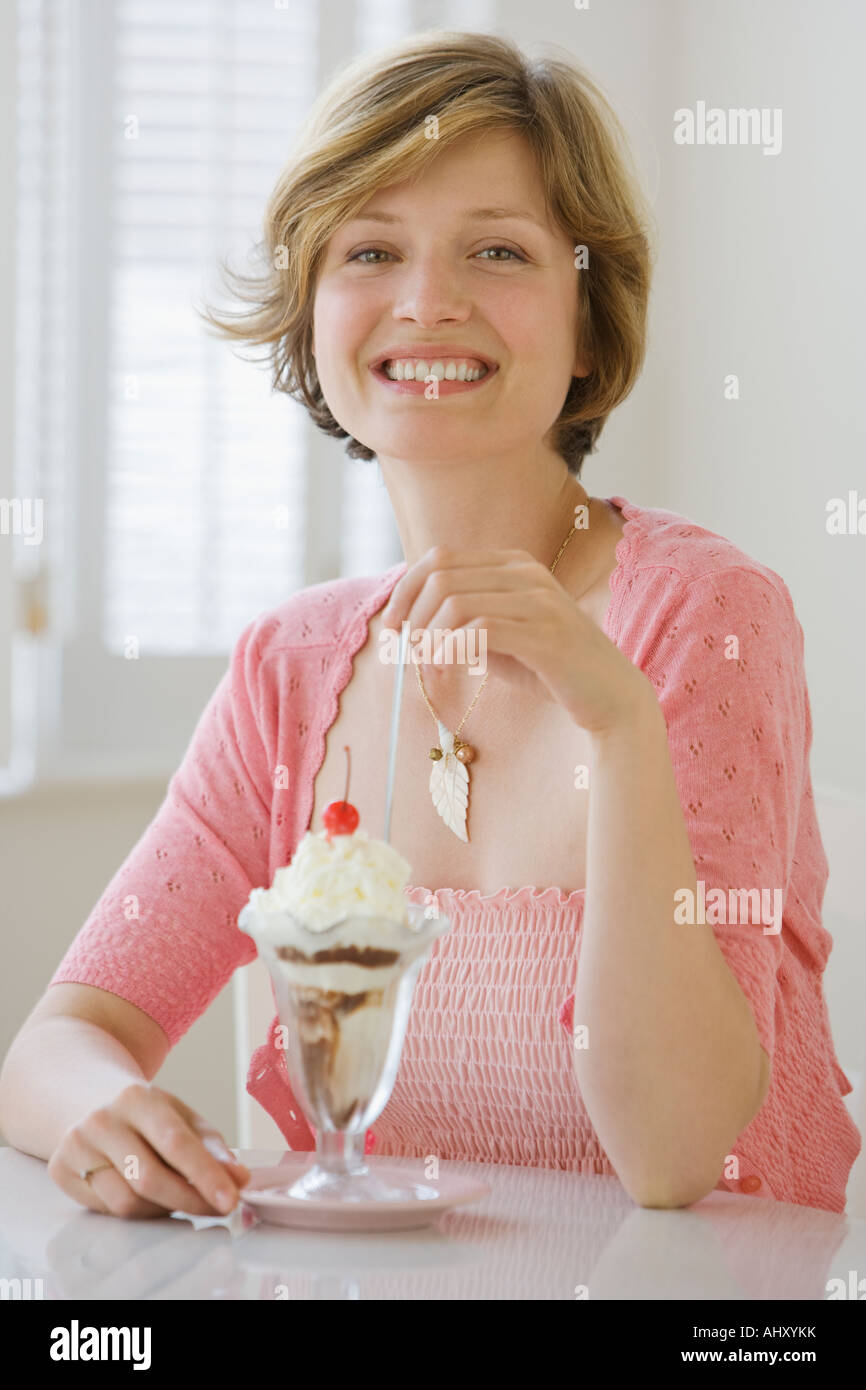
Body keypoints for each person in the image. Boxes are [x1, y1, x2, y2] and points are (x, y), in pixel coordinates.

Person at [0, 31, 858, 1218]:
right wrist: (103, 1110)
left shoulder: (705, 617)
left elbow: (671, 1155)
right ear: (311, 312)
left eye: (496, 249)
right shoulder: (290, 670)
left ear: (588, 308)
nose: (427, 301)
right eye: (369, 251)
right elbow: (58, 1042)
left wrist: (617, 723)